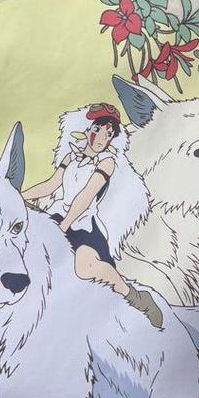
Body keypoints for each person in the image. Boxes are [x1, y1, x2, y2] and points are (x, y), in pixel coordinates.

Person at [22, 102, 162, 328]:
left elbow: (86, 195)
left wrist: (64, 226)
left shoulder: (107, 162)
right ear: (87, 129)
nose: (101, 138)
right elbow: (51, 184)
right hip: (57, 214)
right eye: (97, 129)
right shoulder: (71, 157)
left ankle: (135, 297)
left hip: (82, 224)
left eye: (108, 134)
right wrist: (19, 196)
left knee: (85, 267)